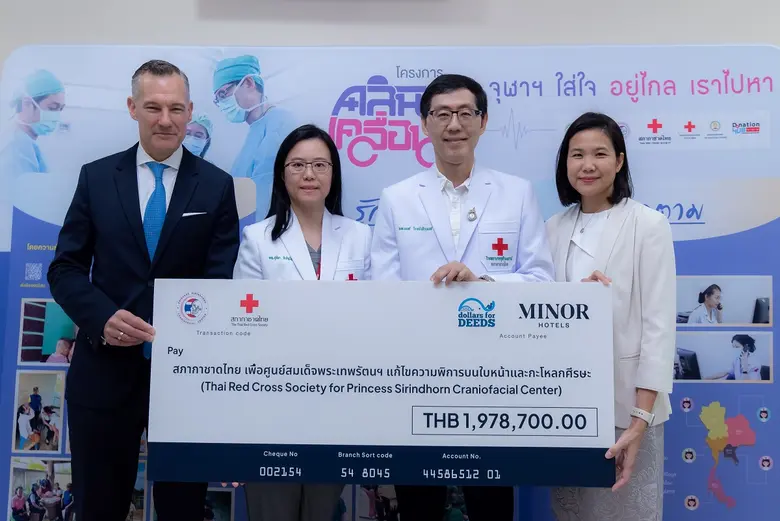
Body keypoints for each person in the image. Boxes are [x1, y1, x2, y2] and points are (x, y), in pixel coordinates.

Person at [46, 59, 240, 521]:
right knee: (98, 507)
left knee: (183, 509)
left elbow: (219, 281)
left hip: (185, 378)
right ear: (132, 108)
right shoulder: (96, 178)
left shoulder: (216, 186)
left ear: (190, 110)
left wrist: (184, 330)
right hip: (104, 374)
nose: (165, 120)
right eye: (153, 107)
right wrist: (101, 318)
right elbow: (65, 268)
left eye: (176, 108)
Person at [370, 74, 554, 521]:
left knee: (491, 503)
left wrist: (482, 281)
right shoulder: (397, 199)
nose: (454, 125)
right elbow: (383, 291)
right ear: (425, 124)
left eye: (465, 113)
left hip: (495, 374)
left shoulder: (517, 193)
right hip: (416, 375)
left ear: (483, 121)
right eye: (442, 114)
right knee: (419, 504)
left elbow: (540, 279)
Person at [233, 123, 369, 521]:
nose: (309, 174)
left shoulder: (361, 237)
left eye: (320, 165)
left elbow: (376, 321)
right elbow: (244, 331)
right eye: (298, 165)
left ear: (333, 173)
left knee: (324, 510)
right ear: (282, 174)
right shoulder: (257, 238)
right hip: (273, 402)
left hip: (339, 402)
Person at [544, 112, 675, 521]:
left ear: (619, 161)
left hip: (627, 407)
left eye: (599, 154)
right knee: (571, 511)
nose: (587, 165)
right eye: (577, 155)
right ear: (565, 163)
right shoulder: (552, 228)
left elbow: (658, 326)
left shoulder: (648, 224)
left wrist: (640, 418)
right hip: (566, 405)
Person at [213, 54, 295, 220]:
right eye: (218, 99)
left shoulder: (282, 124)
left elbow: (268, 193)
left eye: (223, 94)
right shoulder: (255, 131)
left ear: (249, 83)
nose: (222, 103)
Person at [0, 69, 66, 176]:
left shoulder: (27, 144)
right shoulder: (16, 148)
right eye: (52, 108)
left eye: (60, 109)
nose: (57, 116)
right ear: (27, 104)